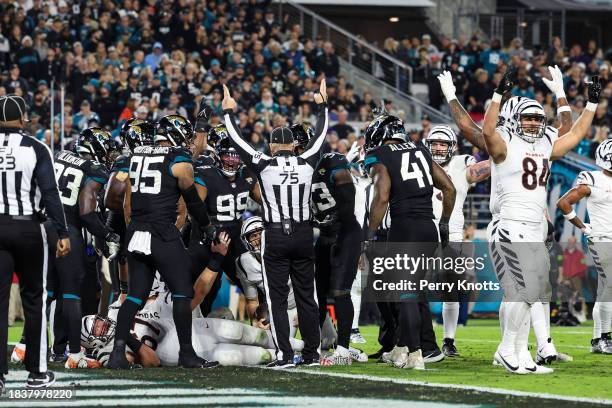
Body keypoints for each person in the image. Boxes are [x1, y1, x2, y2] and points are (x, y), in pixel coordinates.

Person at [482, 67, 602, 374]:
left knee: (533, 292)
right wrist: (498, 94)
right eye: (528, 118)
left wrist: (591, 104)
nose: (534, 123)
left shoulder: (545, 145)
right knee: (524, 291)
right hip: (510, 224)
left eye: (538, 118)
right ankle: (508, 350)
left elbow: (575, 133)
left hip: (534, 226)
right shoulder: (505, 143)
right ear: (517, 120)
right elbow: (486, 132)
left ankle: (520, 353)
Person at [222, 80, 328, 369]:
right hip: (305, 235)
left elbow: (237, 142)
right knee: (308, 297)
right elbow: (320, 136)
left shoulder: (265, 164)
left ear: (271, 146)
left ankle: (284, 355)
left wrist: (229, 112)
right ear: (293, 146)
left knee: (277, 299)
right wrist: (322, 105)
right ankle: (311, 354)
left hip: (276, 236)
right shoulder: (306, 161)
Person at [107, 115, 218, 370]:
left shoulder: (134, 155)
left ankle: (117, 354)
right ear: (177, 134)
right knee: (182, 292)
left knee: (134, 296)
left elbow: (126, 200)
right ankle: (187, 355)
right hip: (161, 232)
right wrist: (208, 226)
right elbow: (192, 200)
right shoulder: (178, 159)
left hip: (136, 231)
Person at [364, 112, 456, 370]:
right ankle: (404, 348)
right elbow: (449, 188)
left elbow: (382, 197)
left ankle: (415, 354)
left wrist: (369, 234)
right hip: (428, 228)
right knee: (414, 293)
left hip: (404, 228)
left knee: (406, 294)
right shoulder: (420, 149)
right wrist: (444, 221)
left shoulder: (381, 154)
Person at [0, 94, 70, 390]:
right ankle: (37, 371)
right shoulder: (36, 147)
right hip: (29, 227)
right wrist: (63, 232)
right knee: (35, 298)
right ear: (23, 118)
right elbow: (50, 193)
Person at [292, 122, 361, 365]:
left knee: (341, 291)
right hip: (324, 235)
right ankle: (315, 348)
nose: (295, 153)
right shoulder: (296, 171)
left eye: (299, 147)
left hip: (346, 232)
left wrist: (339, 223)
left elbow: (347, 191)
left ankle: (343, 348)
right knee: (317, 295)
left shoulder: (331, 159)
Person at [51, 128, 120, 369]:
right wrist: (108, 234)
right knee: (71, 293)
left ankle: (29, 346)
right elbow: (87, 214)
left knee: (47, 293)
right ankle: (73, 352)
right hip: (67, 232)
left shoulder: (59, 155)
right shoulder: (94, 170)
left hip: (41, 227)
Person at [424, 125, 491, 357]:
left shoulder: (462, 164)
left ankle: (448, 339)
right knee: (410, 288)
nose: (439, 148)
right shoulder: (419, 162)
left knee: (450, 288)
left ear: (452, 147)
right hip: (420, 233)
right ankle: (410, 338)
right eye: (435, 143)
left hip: (451, 236)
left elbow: (483, 170)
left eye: (443, 144)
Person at [188, 126, 261, 315]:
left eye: (235, 156)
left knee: (254, 285)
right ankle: (188, 328)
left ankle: (267, 334)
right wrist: (209, 229)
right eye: (227, 155)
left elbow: (267, 201)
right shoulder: (206, 173)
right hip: (207, 236)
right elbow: (194, 207)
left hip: (235, 237)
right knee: (201, 289)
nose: (231, 160)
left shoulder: (247, 174)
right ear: (217, 156)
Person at [557, 139, 612, 355]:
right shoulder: (592, 179)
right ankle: (606, 338)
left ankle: (598, 340)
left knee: (605, 289)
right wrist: (582, 227)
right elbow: (563, 203)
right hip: (600, 238)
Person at [104, 119, 155, 301]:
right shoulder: (125, 163)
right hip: (123, 225)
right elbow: (111, 199)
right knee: (123, 289)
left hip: (143, 225)